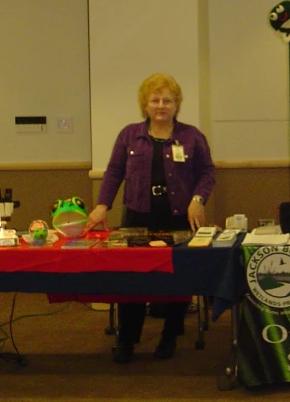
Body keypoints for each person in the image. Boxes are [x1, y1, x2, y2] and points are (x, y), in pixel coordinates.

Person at [84, 73, 215, 363]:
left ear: (177, 104)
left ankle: (170, 337)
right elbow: (115, 172)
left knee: (176, 280)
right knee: (132, 280)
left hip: (179, 217)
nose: (161, 105)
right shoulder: (129, 135)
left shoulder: (192, 136)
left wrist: (197, 199)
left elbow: (207, 172)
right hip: (137, 216)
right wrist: (102, 205)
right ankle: (127, 340)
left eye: (167, 100)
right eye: (155, 100)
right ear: (145, 104)